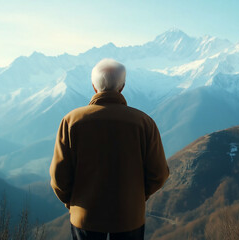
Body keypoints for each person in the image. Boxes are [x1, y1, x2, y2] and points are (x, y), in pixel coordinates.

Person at [49, 59, 169, 240]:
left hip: (85, 218)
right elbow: (159, 173)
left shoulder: (71, 121)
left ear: (94, 86)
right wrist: (136, 197)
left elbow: (59, 177)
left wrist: (74, 202)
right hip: (129, 218)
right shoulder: (144, 123)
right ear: (122, 87)